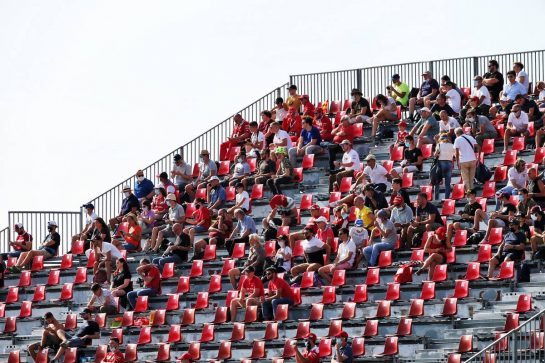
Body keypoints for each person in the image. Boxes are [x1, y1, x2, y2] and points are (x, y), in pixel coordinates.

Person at [434, 133, 455, 200]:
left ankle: (436, 198)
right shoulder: (452, 145)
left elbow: (435, 155)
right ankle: (447, 198)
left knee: (437, 183)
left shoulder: (439, 144)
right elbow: (454, 155)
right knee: (447, 184)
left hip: (441, 163)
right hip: (449, 163)